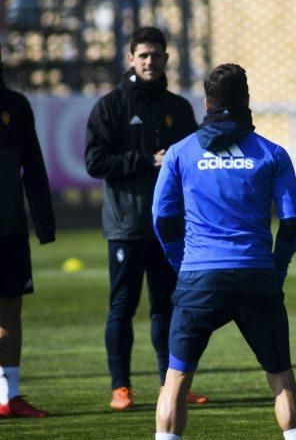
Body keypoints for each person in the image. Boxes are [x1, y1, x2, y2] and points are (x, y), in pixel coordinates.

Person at [152, 63, 296, 440]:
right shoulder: (272, 153)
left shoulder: (180, 152)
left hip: (198, 277)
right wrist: (278, 267)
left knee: (175, 379)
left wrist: (181, 262)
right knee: (281, 377)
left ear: (206, 102)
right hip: (256, 275)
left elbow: (162, 217)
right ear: (247, 101)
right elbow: (292, 220)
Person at [85, 26, 206, 410]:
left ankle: (170, 385)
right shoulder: (110, 107)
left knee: (167, 307)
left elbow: (196, 162)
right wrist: (144, 160)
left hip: (169, 227)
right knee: (122, 306)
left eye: (157, 55)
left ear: (167, 58)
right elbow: (94, 161)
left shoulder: (179, 109)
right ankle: (120, 387)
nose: (151, 61)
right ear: (131, 59)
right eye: (144, 55)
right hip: (126, 226)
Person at [0, 48, 55, 418]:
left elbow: (32, 165)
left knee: (10, 310)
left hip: (9, 229)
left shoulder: (15, 106)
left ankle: (10, 395)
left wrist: (44, 222)